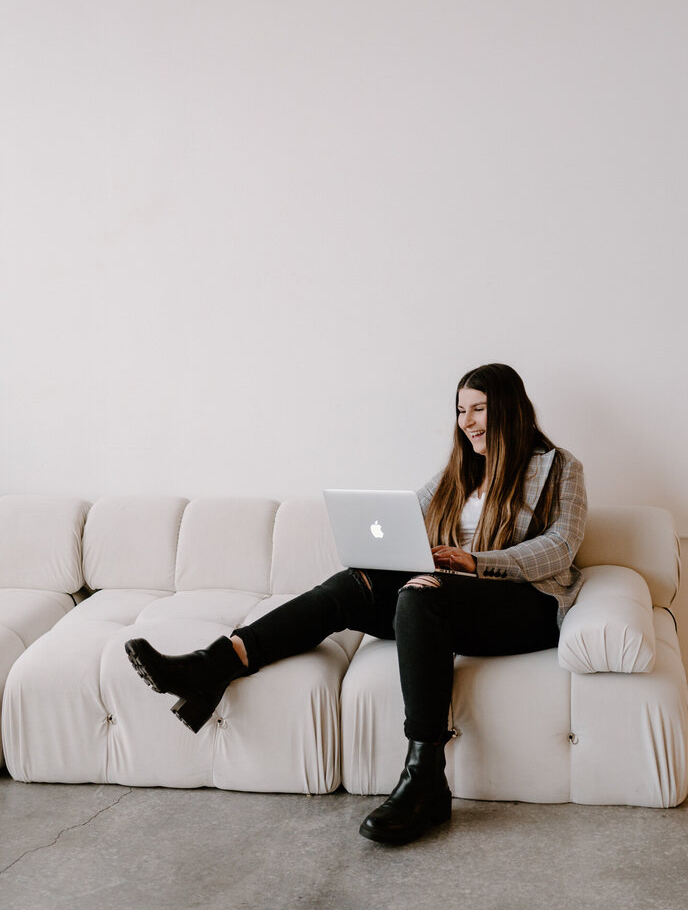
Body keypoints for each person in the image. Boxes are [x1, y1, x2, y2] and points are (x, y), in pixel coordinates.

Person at [125, 362, 587, 845]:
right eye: (460, 411)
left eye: (478, 410)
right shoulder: (458, 471)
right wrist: (394, 553)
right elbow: (404, 518)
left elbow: (561, 546)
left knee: (419, 593)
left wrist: (476, 562)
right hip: (445, 597)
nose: (466, 422)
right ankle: (215, 663)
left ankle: (424, 777)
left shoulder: (559, 467)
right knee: (356, 584)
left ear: (509, 410)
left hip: (524, 605)